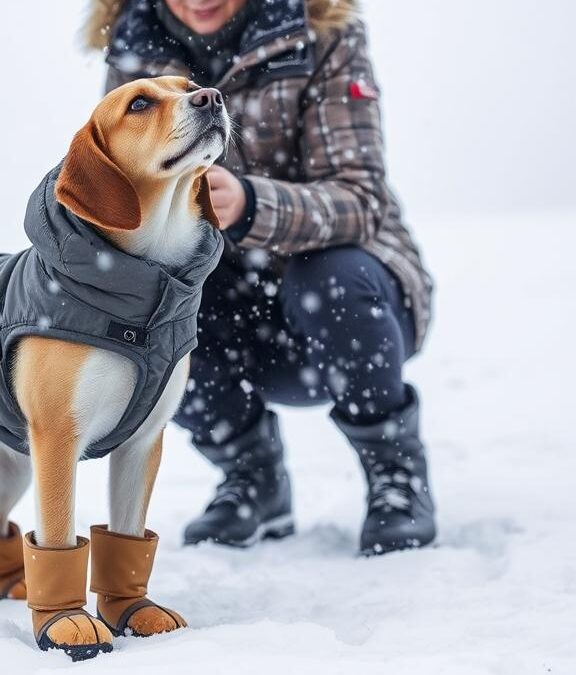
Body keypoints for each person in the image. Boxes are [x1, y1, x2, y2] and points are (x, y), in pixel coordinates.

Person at [83, 0, 436, 555]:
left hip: (352, 305)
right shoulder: (135, 46)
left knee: (331, 276)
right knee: (155, 298)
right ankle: (252, 477)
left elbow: (362, 198)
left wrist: (250, 204)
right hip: (230, 314)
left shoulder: (324, 34)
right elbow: (128, 182)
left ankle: (397, 476)